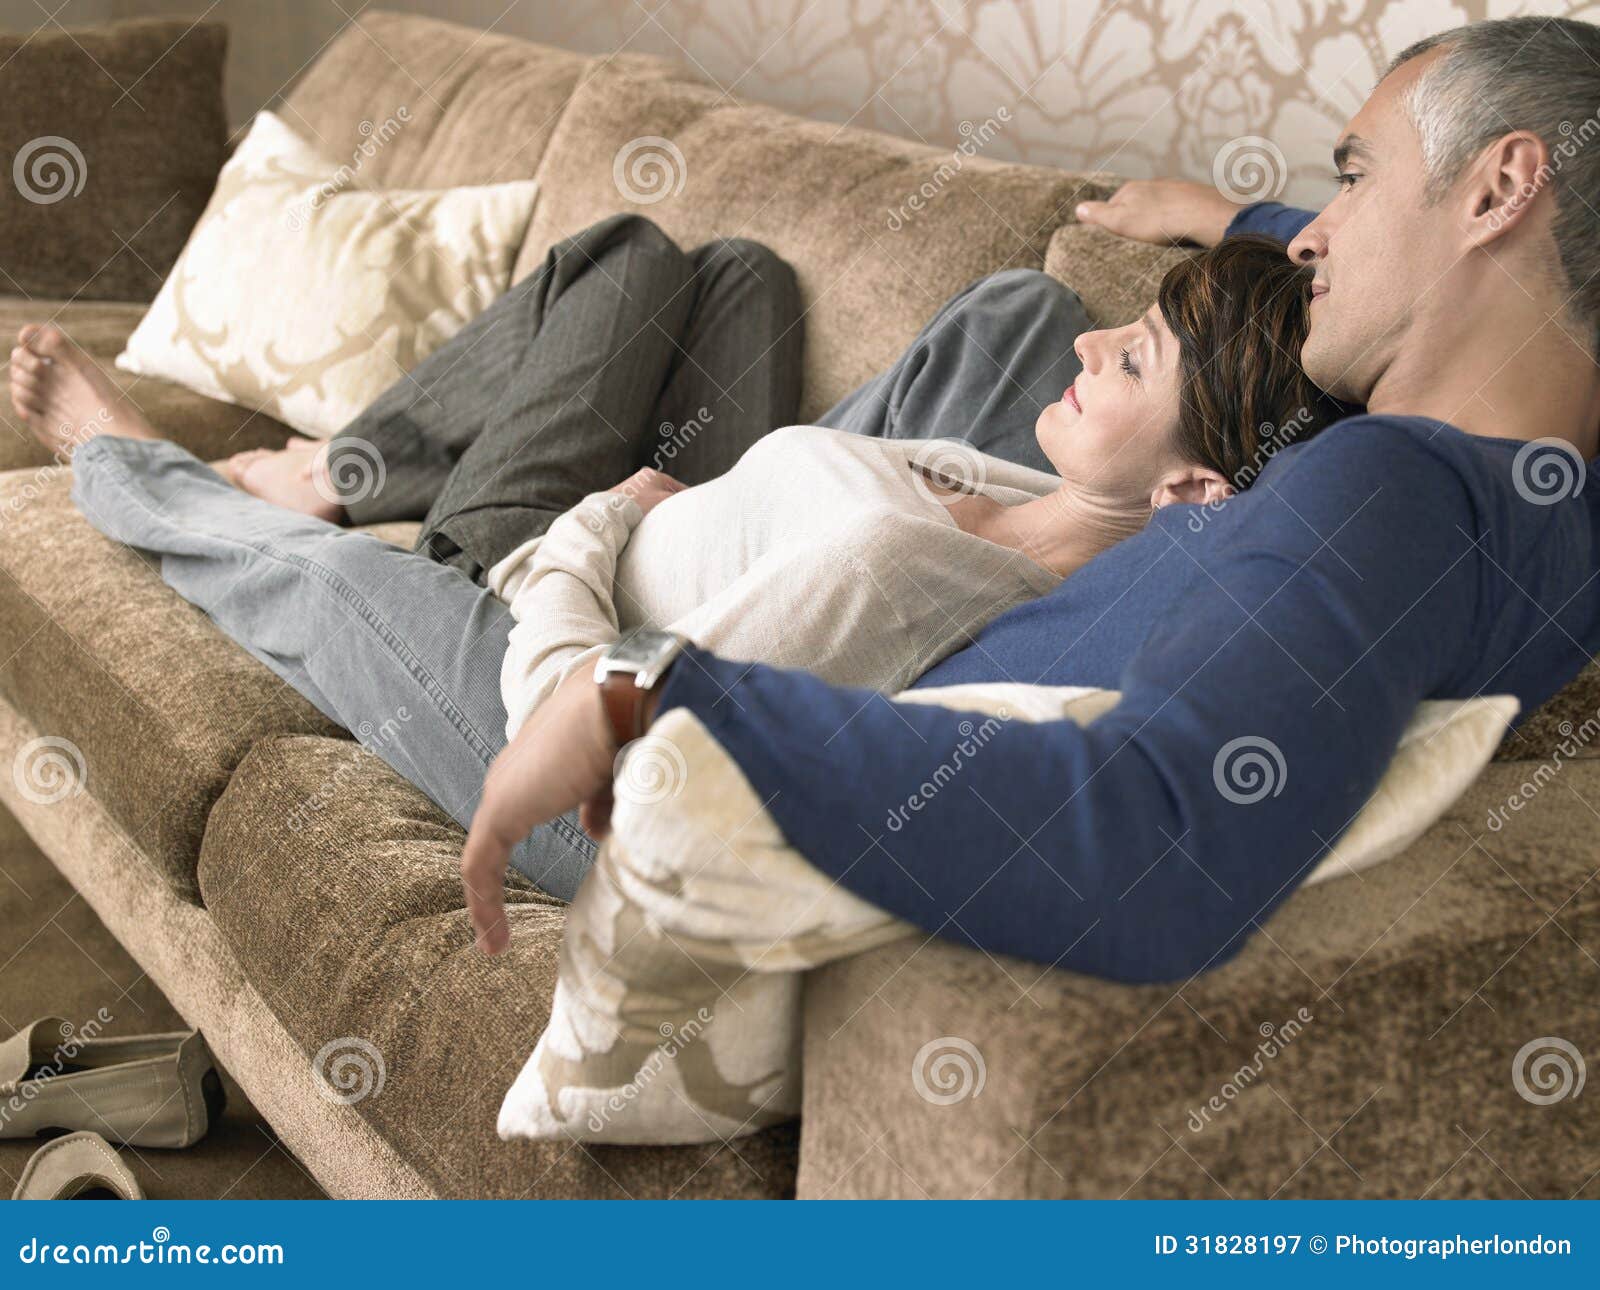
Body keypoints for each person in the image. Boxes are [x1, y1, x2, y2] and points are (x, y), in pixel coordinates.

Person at [455, 16, 1600, 980]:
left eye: (1351, 177)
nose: (1312, 232)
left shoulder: (1383, 482)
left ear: (1498, 186)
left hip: (693, 766)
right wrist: (1231, 221)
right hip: (834, 657)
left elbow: (1153, 853)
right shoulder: (1552, 516)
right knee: (978, 316)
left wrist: (649, 691)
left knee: (281, 563)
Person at [12, 220, 1334, 902]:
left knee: (332, 571)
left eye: (1137, 357)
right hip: (683, 538)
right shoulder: (1035, 489)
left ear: (1192, 488)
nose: (1095, 342)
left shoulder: (912, 569)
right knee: (741, 269)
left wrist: (595, 518)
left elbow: (578, 716)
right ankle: (340, 475)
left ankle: (181, 471)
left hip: (529, 602)